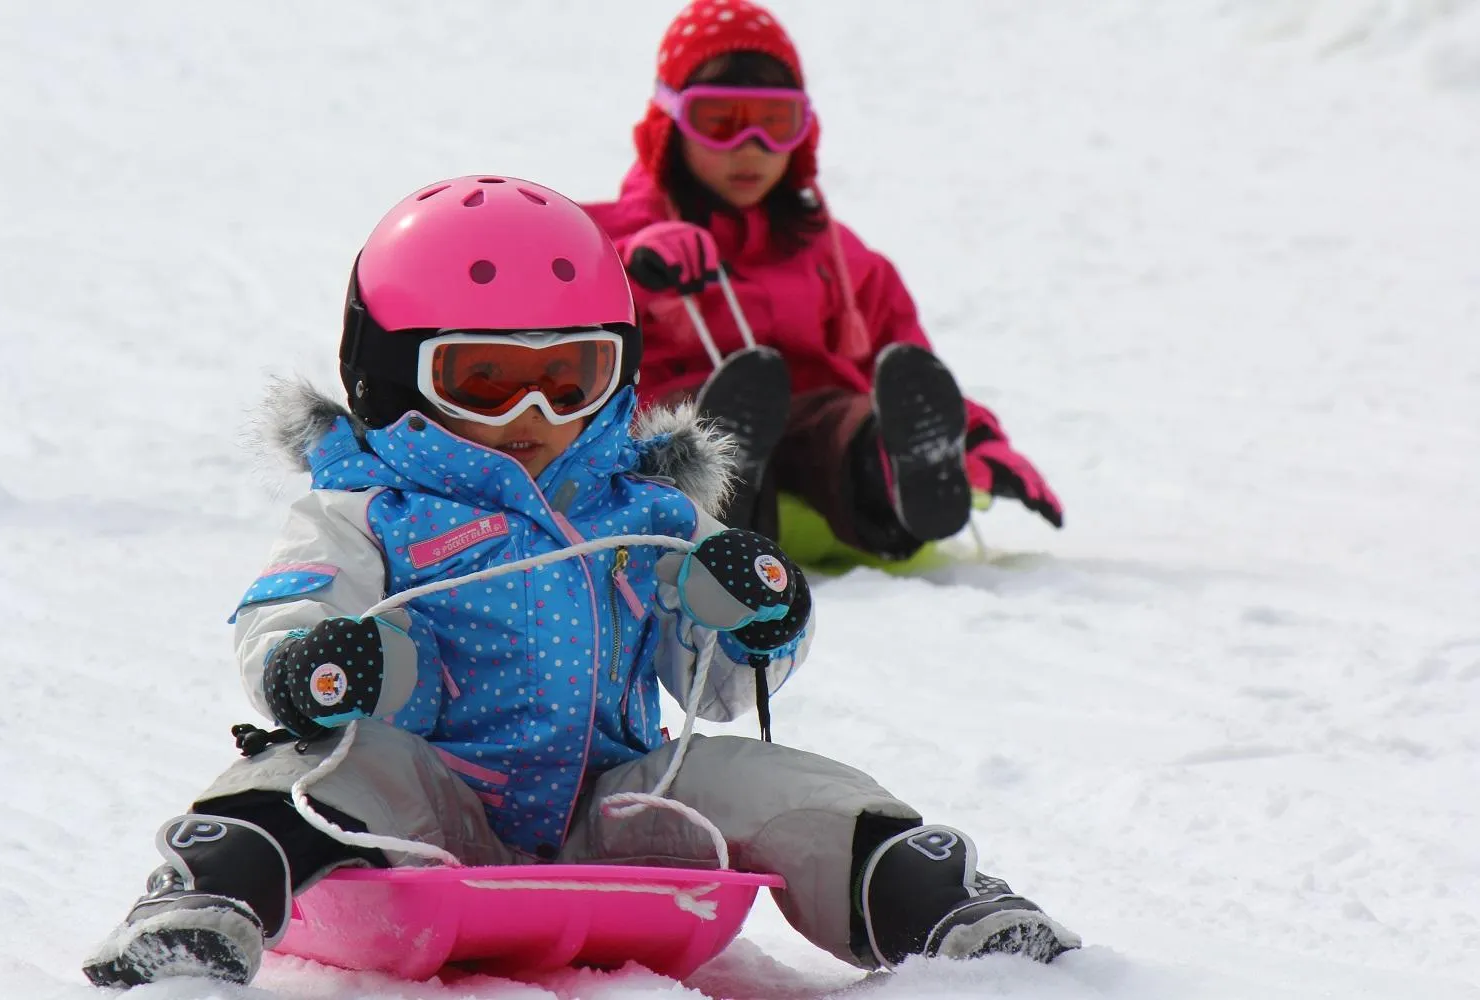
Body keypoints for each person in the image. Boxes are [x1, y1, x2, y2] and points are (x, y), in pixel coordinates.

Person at [81, 176, 1078, 988]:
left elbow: (720, 686)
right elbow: (287, 610)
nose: (531, 411)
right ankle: (204, 902)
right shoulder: (368, 507)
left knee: (766, 779)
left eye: (571, 379)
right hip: (429, 809)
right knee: (329, 768)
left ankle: (932, 901)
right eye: (482, 380)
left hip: (613, 805)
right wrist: (315, 665)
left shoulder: (642, 511)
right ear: (390, 375)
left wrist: (751, 615)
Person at [583, 0, 1064, 557]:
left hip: (812, 423)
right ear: (669, 124)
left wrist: (977, 441)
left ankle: (894, 476)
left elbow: (902, 356)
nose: (751, 146)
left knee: (844, 418)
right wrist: (634, 268)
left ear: (803, 130)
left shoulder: (834, 255)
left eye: (774, 123)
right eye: (720, 122)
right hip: (688, 432)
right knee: (692, 426)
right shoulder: (603, 241)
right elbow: (557, 328)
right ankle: (725, 501)